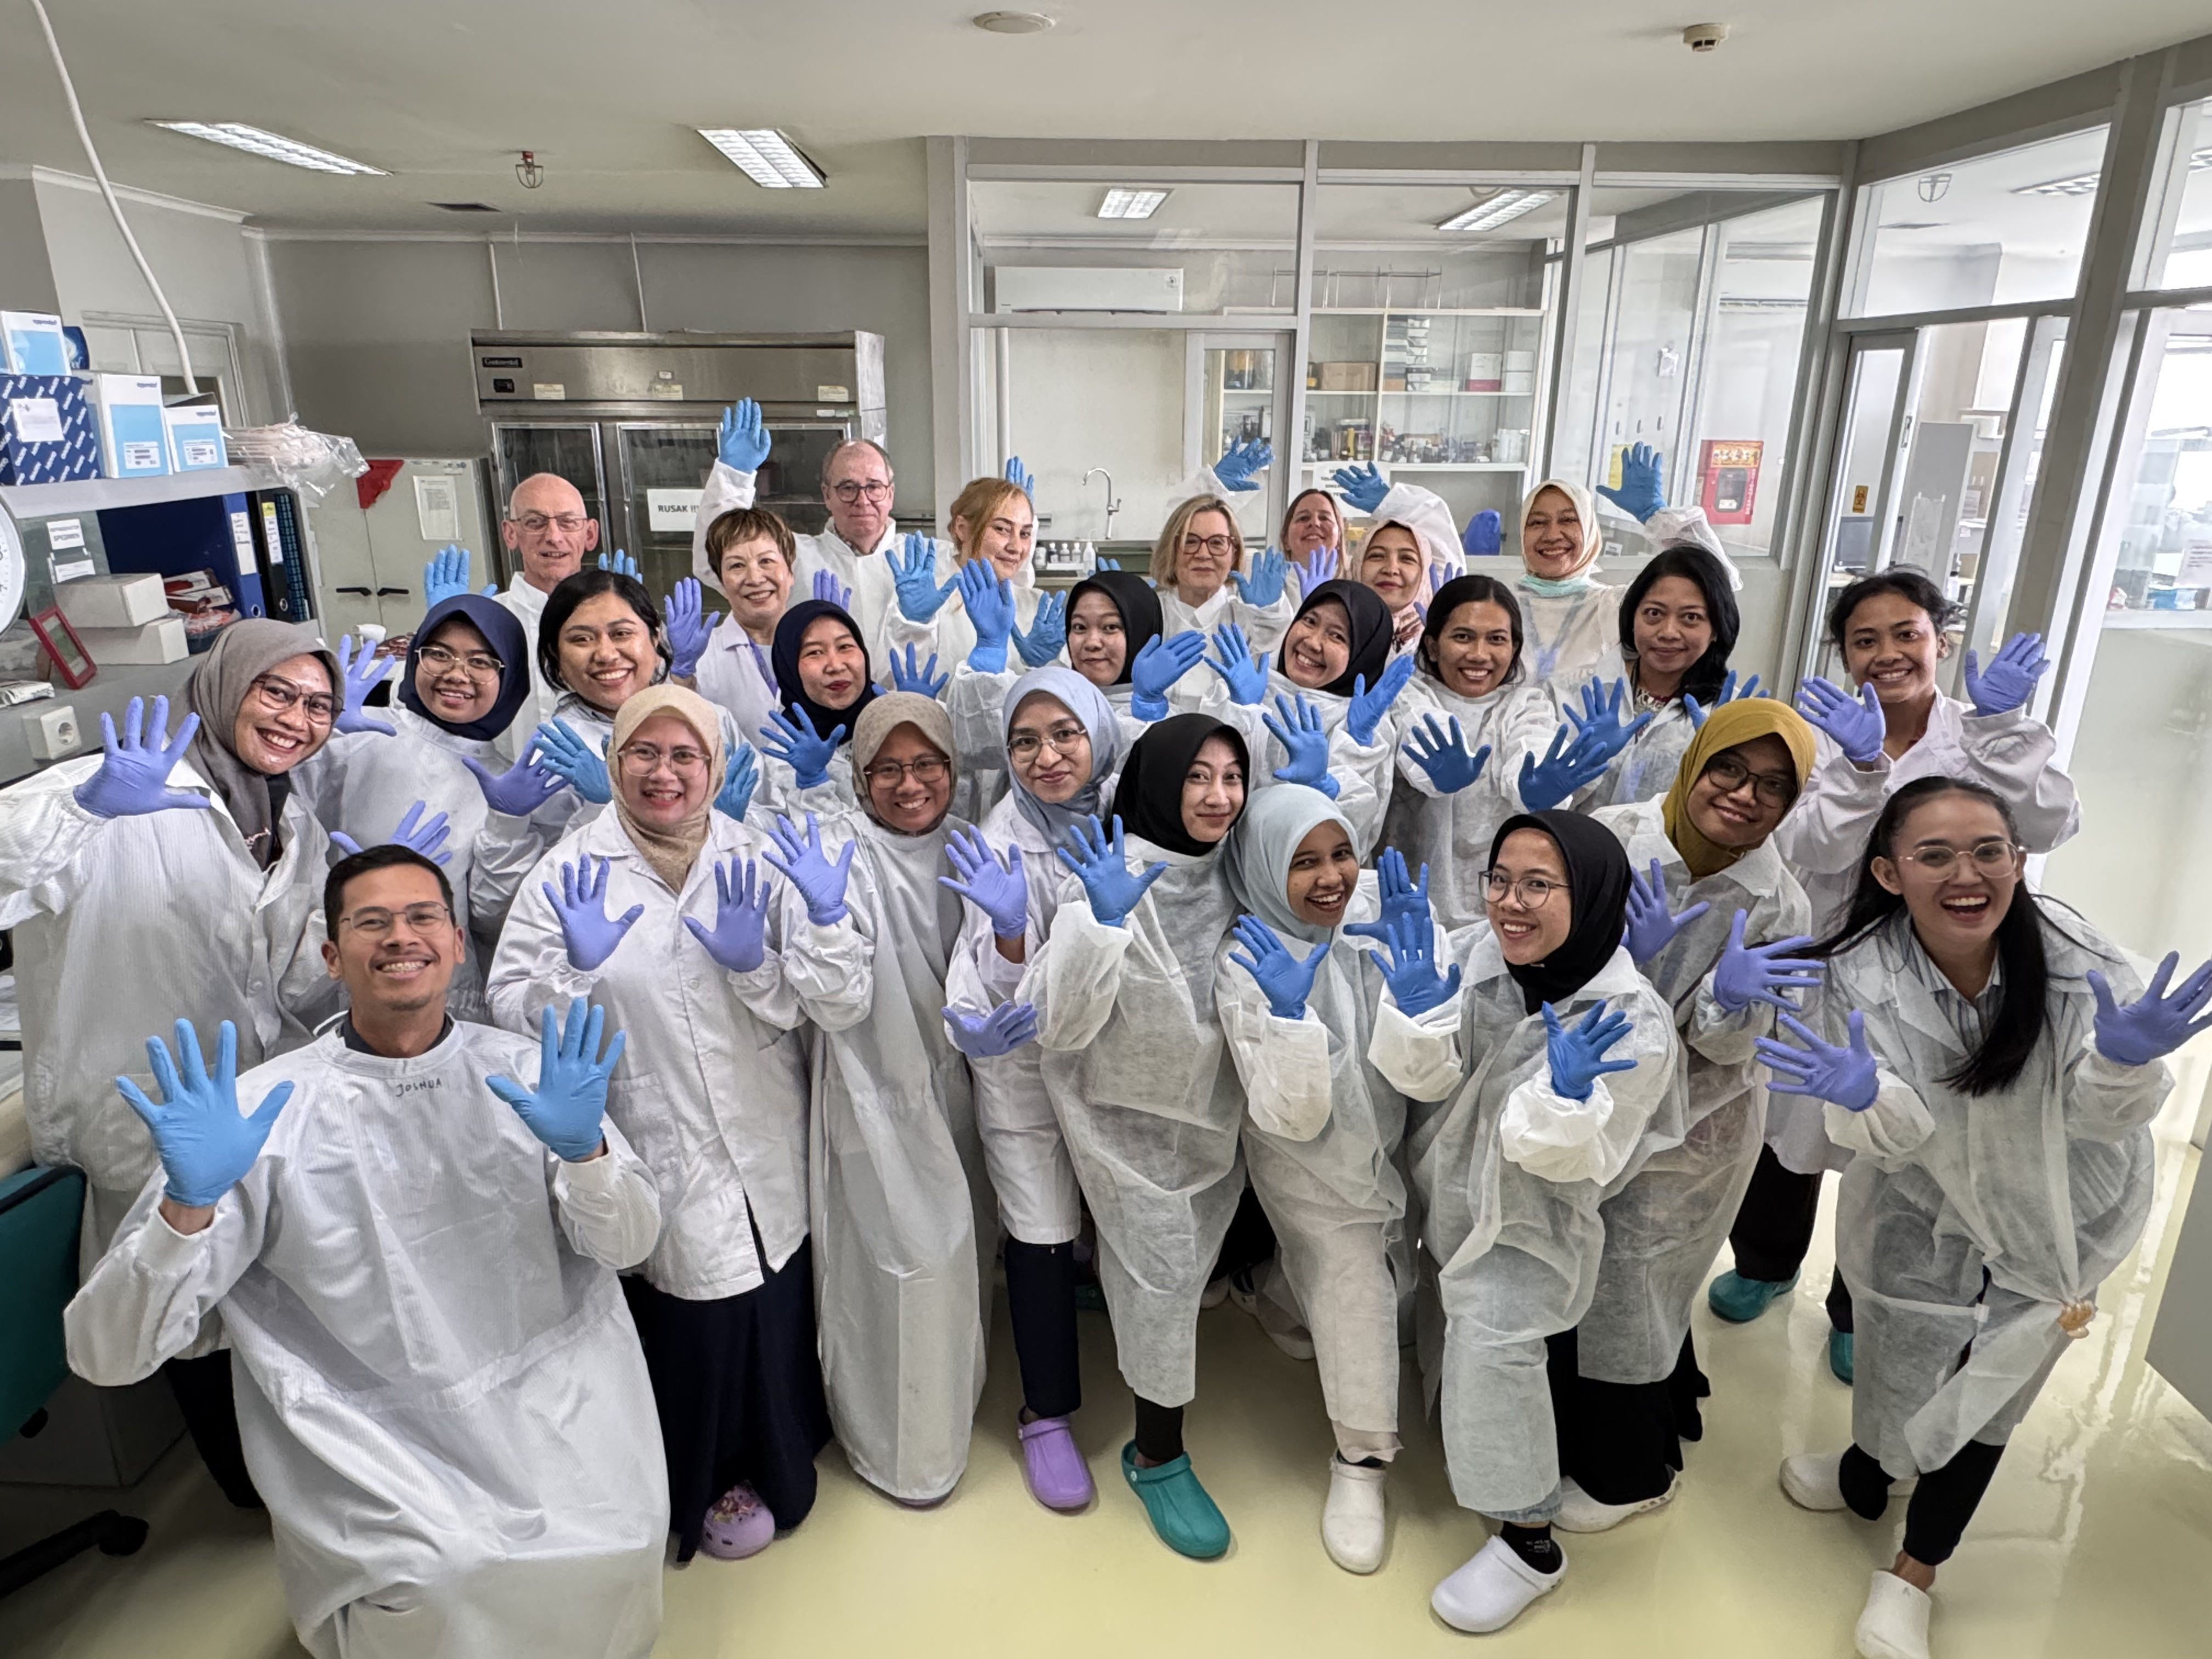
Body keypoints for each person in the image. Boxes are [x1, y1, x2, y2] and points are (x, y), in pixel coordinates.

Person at [66, 844, 667, 1659]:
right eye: (371, 922)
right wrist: (188, 1205)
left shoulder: (528, 1079)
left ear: (457, 943)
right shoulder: (262, 1117)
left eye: (422, 917)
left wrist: (588, 1155)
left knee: (617, 1542)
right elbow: (108, 1355)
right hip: (371, 1439)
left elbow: (628, 1244)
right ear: (330, 955)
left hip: (551, 1405)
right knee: (444, 1579)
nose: (400, 938)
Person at [1759, 778, 2202, 1659]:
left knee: (1995, 1381)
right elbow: (1903, 1132)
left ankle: (1915, 1570)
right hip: (1922, 1202)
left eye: (1988, 851)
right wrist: (1866, 1094)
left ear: (2019, 860)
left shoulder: (2079, 961)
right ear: (1888, 872)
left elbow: (2101, 1121)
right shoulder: (1861, 969)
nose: (1967, 874)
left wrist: (2121, 1064)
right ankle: (1871, 1466)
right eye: (1935, 855)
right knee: (1898, 1347)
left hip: (2060, 1215)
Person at [488, 685, 868, 1562]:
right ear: (614, 763)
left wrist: (760, 965)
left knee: (774, 1304)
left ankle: (780, 1456)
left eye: (685, 756)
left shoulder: (757, 856)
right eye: (643, 755)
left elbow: (819, 1008)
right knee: (691, 1320)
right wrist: (573, 973)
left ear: (718, 766)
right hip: (649, 1131)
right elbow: (512, 1013)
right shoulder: (569, 871)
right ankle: (704, 1480)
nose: (665, 774)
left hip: (765, 1128)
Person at [0, 618, 343, 1507]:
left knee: (257, 1297)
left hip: (248, 1094)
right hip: (138, 1109)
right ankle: (245, 1486)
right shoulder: (103, 788)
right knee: (182, 1306)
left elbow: (287, 981)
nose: (296, 718)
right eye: (277, 691)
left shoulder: (289, 814)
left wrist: (351, 944)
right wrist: (84, 810)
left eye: (318, 704)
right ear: (228, 683)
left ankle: (280, 1471)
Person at [1717, 568, 2079, 1352]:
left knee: (1905, 1153)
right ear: (1844, 656)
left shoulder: (1981, 731)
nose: (1887, 654)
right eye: (1864, 640)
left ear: (1939, 642)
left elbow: (2051, 824)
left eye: (1906, 634)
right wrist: (1856, 768)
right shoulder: (1820, 736)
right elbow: (1812, 845)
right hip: (1827, 963)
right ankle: (1768, 1263)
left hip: (1941, 969)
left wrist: (2002, 727)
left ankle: (1860, 1307)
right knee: (1791, 1125)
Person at [1371, 811, 1680, 1634]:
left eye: (1540, 884)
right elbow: (1425, 1083)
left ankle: (1529, 1541)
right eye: (1501, 878)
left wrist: (1567, 1097)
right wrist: (1417, 1016)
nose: (1511, 901)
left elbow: (1571, 1157)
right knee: (1449, 1321)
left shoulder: (1628, 1018)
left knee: (1495, 1344)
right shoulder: (1481, 956)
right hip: (1448, 1192)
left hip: (1530, 1225)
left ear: (1594, 895)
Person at [1567, 702, 1820, 1532]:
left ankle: (1631, 1472)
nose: (1746, 796)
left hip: (1692, 1130)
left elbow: (1732, 1049)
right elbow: (1550, 960)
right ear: (1695, 761)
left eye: (1774, 787)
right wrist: (1621, 968)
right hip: (1590, 1095)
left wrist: (1720, 999)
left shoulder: (1777, 904)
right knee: (1581, 1269)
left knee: (1636, 1282)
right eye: (1730, 770)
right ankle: (1630, 1413)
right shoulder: (1614, 838)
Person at [1019, 714, 1253, 1559]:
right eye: (1197, 776)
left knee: (1182, 1268)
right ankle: (1157, 1453)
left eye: (1233, 777)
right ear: (1158, 780)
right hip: (1120, 1124)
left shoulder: (1239, 869)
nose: (1218, 796)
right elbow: (1060, 1025)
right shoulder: (1109, 874)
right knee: (1158, 1272)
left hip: (1213, 1118)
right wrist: (1101, 927)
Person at [783, 692, 998, 1505]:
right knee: (895, 1268)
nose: (909, 784)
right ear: (860, 777)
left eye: (927, 765)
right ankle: (899, 1445)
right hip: (873, 1101)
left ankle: (953, 1400)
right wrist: (828, 913)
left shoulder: (974, 848)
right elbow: (834, 1003)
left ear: (953, 769)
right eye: (888, 769)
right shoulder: (838, 854)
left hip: (966, 1097)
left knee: (965, 1264)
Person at [1216, 785, 1412, 1573]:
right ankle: (1362, 1461)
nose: (1332, 877)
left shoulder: (1369, 917)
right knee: (1354, 1280)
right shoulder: (1248, 960)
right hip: (1307, 1160)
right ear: (1265, 869)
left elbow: (1425, 1045)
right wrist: (1292, 1019)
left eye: (1341, 854)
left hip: (1390, 1135)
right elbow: (1288, 1114)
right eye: (1303, 861)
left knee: (1372, 1282)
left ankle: (1274, 1295)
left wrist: (1422, 984)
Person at [942, 667, 1120, 1512]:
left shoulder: (1133, 815)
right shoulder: (1001, 834)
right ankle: (1045, 1412)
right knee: (1041, 1236)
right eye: (1024, 741)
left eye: (1064, 735)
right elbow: (987, 968)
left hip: (1118, 1069)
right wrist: (1012, 935)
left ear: (1098, 735)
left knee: (1125, 1220)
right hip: (1023, 1073)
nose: (1046, 756)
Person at [294, 596, 563, 1020]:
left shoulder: (504, 784)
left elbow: (492, 921)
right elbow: (285, 832)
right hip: (331, 974)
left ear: (510, 677)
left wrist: (508, 825)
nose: (457, 674)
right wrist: (317, 740)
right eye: (439, 654)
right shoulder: (362, 735)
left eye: (482, 662)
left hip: (444, 992)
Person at [1381, 575, 1590, 929]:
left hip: (1508, 909)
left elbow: (1534, 740)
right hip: (1412, 903)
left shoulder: (1527, 703)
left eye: (1497, 639)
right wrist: (1433, 774)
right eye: (1463, 637)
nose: (1479, 654)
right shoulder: (1407, 695)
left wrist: (1533, 784)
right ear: (1432, 646)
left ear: (1514, 649)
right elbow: (1416, 730)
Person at [689, 402, 949, 656]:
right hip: (812, 696)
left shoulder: (927, 559)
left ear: (890, 494)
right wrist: (734, 476)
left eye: (874, 487)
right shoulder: (795, 556)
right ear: (826, 495)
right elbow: (715, 557)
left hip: (903, 696)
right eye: (848, 488)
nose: (862, 500)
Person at [524, 567, 753, 839]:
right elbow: (545, 872)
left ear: (655, 637)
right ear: (555, 653)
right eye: (582, 639)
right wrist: (600, 810)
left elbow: (774, 815)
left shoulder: (712, 721)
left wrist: (729, 824)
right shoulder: (553, 752)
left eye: (621, 633)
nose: (607, 655)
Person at [1200, 577, 1412, 853]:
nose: (1312, 642)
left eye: (1337, 636)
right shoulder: (1251, 686)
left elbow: (1353, 835)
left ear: (1364, 653)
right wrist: (1241, 712)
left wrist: (1335, 769)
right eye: (1310, 621)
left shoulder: (1366, 724)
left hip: (1307, 878)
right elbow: (1203, 782)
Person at [1577, 541, 1753, 808]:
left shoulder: (1729, 715)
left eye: (1691, 618)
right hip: (1574, 848)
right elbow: (1544, 801)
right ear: (1632, 616)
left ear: (1716, 629)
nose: (1668, 632)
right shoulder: (1578, 691)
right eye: (1654, 613)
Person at [882, 473, 1064, 682]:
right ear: (962, 528)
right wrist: (915, 626)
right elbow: (900, 689)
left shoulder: (1036, 609)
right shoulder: (926, 602)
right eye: (1002, 529)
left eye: (1024, 534)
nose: (1016, 547)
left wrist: (1037, 668)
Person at [492, 472, 603, 751]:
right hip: (502, 785)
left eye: (568, 523)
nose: (553, 537)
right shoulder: (487, 622)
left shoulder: (619, 619)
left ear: (590, 534)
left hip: (599, 788)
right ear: (510, 533)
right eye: (535, 523)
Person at [684, 504, 797, 748]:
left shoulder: (816, 645)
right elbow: (677, 733)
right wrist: (682, 677)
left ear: (790, 571)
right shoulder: (700, 657)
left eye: (766, 561)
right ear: (722, 583)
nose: (755, 578)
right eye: (736, 566)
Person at [754, 596, 876, 817]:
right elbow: (810, 841)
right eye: (814, 652)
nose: (836, 666)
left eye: (845, 646)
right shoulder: (786, 754)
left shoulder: (895, 720)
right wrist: (812, 783)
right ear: (788, 668)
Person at [1328, 461, 1464, 653]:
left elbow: (1445, 550)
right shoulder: (1334, 632)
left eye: (1407, 559)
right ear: (1357, 566)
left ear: (1425, 573)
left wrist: (1393, 503)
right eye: (1376, 556)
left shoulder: (1438, 642)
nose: (1391, 569)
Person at [1150, 493, 1297, 653]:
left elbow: (1273, 658)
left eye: (1217, 543)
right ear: (1170, 550)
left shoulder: (1253, 622)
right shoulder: (1149, 614)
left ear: (1234, 553)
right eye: (1190, 541)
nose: (1203, 554)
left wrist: (1269, 615)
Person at [1512, 476, 1620, 686]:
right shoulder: (1499, 607)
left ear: (1589, 529)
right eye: (1537, 522)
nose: (1552, 536)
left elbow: (1698, 582)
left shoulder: (1613, 606)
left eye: (1568, 520)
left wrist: (1656, 516)